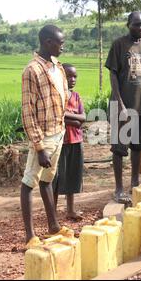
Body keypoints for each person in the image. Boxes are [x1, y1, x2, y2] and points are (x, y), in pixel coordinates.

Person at [20, 25, 70, 249]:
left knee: (48, 180)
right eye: (60, 43)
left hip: (58, 131)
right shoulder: (32, 70)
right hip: (43, 136)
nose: (63, 46)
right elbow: (28, 112)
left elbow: (63, 99)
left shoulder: (58, 67)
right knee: (29, 182)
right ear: (48, 42)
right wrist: (38, 147)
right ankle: (30, 236)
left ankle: (53, 226)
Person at [105, 11, 141, 204]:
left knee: (137, 146)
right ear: (128, 25)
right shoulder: (119, 45)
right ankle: (118, 188)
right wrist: (119, 104)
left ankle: (135, 182)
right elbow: (113, 75)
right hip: (123, 105)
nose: (140, 29)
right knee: (119, 149)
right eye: (136, 25)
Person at [52, 64, 85, 220]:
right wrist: (72, 117)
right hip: (60, 143)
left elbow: (82, 119)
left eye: (74, 76)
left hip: (76, 141)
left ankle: (70, 210)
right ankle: (52, 212)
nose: (72, 79)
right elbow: (56, 116)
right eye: (69, 76)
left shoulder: (76, 96)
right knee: (56, 178)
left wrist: (66, 115)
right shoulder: (56, 96)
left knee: (72, 176)